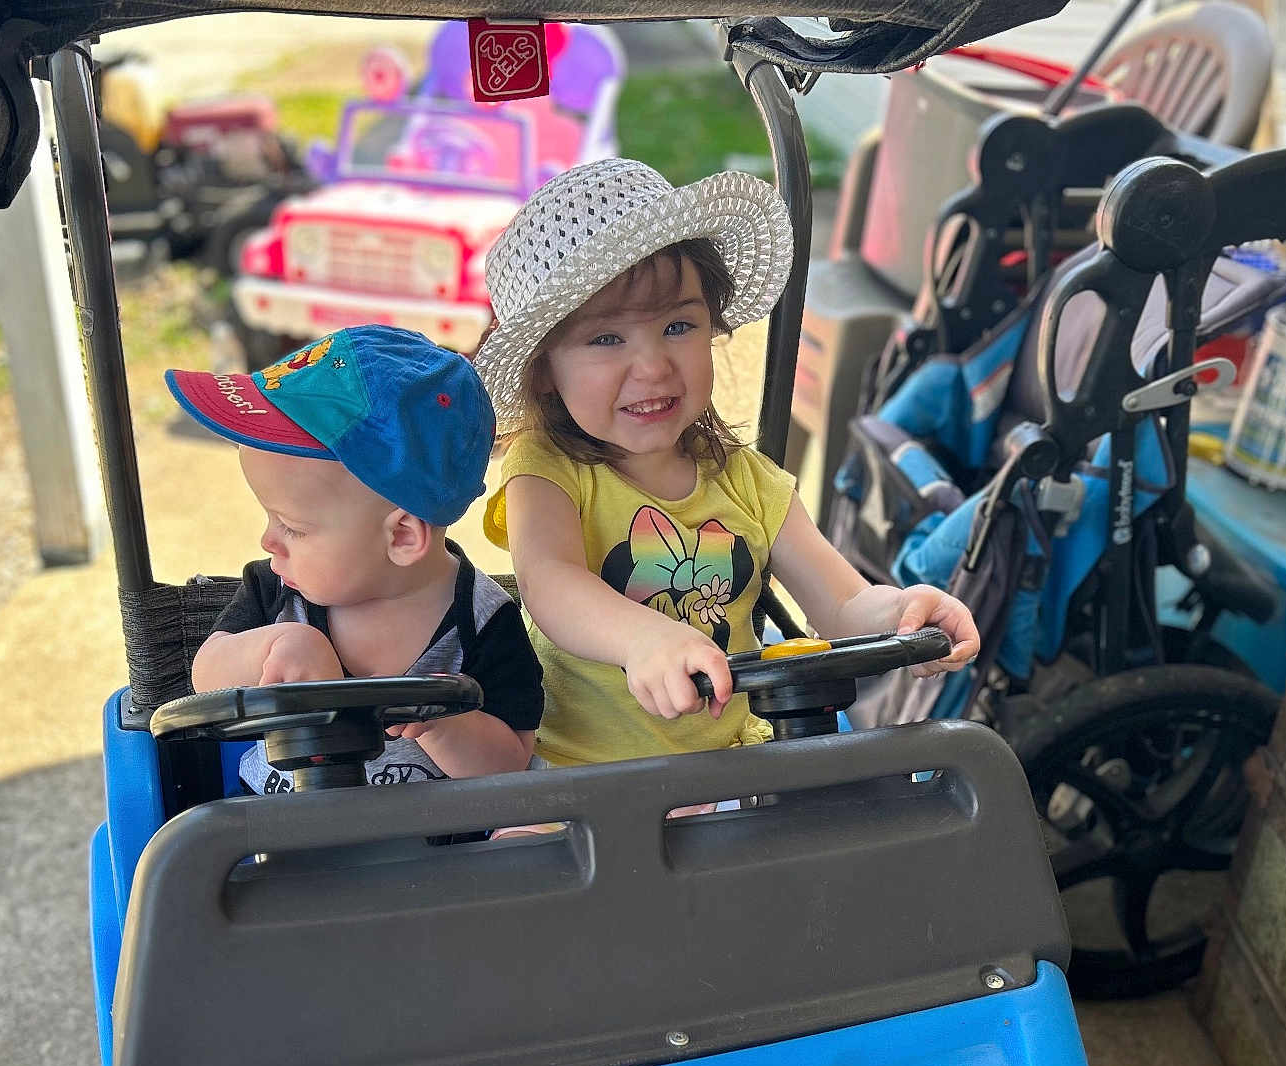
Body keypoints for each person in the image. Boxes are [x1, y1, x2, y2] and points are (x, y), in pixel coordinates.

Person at [473, 158, 980, 770]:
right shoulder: (549, 467)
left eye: (679, 325)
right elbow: (550, 582)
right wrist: (643, 639)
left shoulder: (749, 483)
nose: (655, 366)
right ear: (546, 371)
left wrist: (901, 613)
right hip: (580, 777)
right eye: (607, 339)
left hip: (729, 770)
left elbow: (843, 607)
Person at [167, 325, 544, 794]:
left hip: (432, 852)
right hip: (280, 841)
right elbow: (205, 675)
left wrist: (443, 725)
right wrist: (275, 648)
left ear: (403, 536)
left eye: (294, 527)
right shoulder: (278, 594)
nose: (268, 541)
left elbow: (513, 761)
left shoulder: (484, 621)